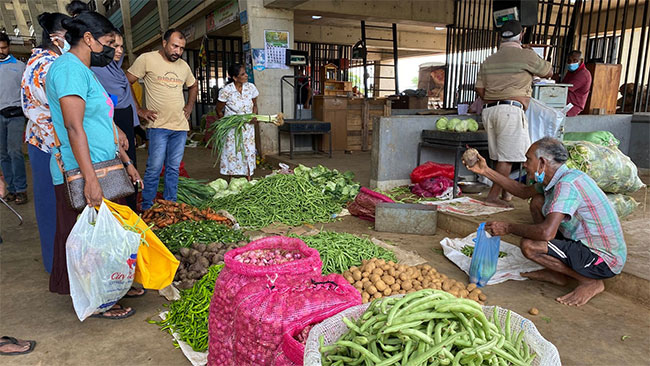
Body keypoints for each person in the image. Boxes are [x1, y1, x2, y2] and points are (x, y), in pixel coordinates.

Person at [46, 11, 142, 318]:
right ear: (88, 39)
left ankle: (115, 284)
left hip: (105, 164)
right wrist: (90, 179)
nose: (112, 50)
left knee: (111, 232)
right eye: (107, 43)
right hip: (83, 170)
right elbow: (75, 128)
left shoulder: (84, 70)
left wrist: (125, 157)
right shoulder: (69, 70)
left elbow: (98, 117)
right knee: (92, 239)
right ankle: (100, 299)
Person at [464, 137, 626, 306]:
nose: (525, 165)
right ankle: (558, 272)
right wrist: (485, 171)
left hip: (602, 259)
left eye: (528, 159)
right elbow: (523, 191)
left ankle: (590, 282)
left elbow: (546, 233)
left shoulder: (567, 184)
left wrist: (508, 227)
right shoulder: (554, 179)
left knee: (529, 246)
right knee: (537, 201)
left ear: (542, 162)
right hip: (581, 242)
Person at [475, 20, 553, 208]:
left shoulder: (489, 59)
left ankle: (506, 194)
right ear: (522, 34)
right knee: (507, 159)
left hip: (490, 111)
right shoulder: (526, 55)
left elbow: (480, 91)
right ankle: (493, 197)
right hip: (510, 110)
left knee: (500, 156)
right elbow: (549, 72)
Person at [21, 12, 71, 273]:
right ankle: (58, 266)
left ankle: (59, 264)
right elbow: (46, 113)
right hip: (49, 146)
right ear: (55, 38)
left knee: (57, 206)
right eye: (69, 36)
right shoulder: (46, 64)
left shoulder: (52, 61)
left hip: (51, 144)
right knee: (53, 208)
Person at [126, 29, 198, 211]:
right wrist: (139, 110)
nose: (177, 51)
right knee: (154, 169)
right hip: (158, 126)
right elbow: (127, 81)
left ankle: (170, 205)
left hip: (180, 127)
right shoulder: (146, 59)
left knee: (173, 169)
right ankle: (148, 206)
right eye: (174, 46)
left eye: (181, 48)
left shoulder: (183, 66)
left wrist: (190, 106)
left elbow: (194, 85)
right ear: (164, 42)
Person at [92, 30, 141, 212]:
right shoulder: (95, 72)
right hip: (110, 126)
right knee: (113, 172)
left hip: (126, 124)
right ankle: (117, 215)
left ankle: (131, 213)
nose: (119, 51)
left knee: (130, 171)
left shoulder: (119, 73)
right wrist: (116, 129)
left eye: (121, 46)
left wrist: (132, 131)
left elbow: (127, 103)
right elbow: (98, 109)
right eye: (114, 46)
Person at [216, 63, 259, 179]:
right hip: (232, 128)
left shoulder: (251, 88)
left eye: (245, 73)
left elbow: (255, 104)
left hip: (248, 128)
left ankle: (248, 178)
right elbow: (219, 110)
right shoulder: (226, 91)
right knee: (232, 151)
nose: (246, 76)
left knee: (248, 151)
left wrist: (254, 115)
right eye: (243, 74)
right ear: (235, 78)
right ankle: (232, 179)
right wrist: (225, 123)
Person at [0, 32, 28, 205]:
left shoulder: (20, 66)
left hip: (16, 115)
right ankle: (10, 189)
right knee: (2, 154)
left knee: (15, 152)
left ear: (8, 47)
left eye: (3, 48)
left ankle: (21, 189)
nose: (0, 51)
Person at [561, 50, 592, 117]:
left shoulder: (583, 74)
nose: (571, 63)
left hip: (572, 107)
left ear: (581, 61)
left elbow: (565, 88)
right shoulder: (571, 72)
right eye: (569, 61)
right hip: (565, 104)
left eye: (575, 61)